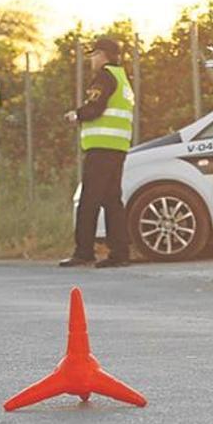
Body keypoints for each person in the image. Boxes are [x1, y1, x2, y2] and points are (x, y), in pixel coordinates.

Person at [59, 37, 134, 268]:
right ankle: (120, 253)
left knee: (89, 200)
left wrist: (76, 115)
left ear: (103, 55)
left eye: (93, 55)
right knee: (112, 201)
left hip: (101, 148)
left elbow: (95, 107)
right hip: (118, 147)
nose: (92, 59)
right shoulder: (123, 78)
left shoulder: (104, 76)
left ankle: (83, 252)